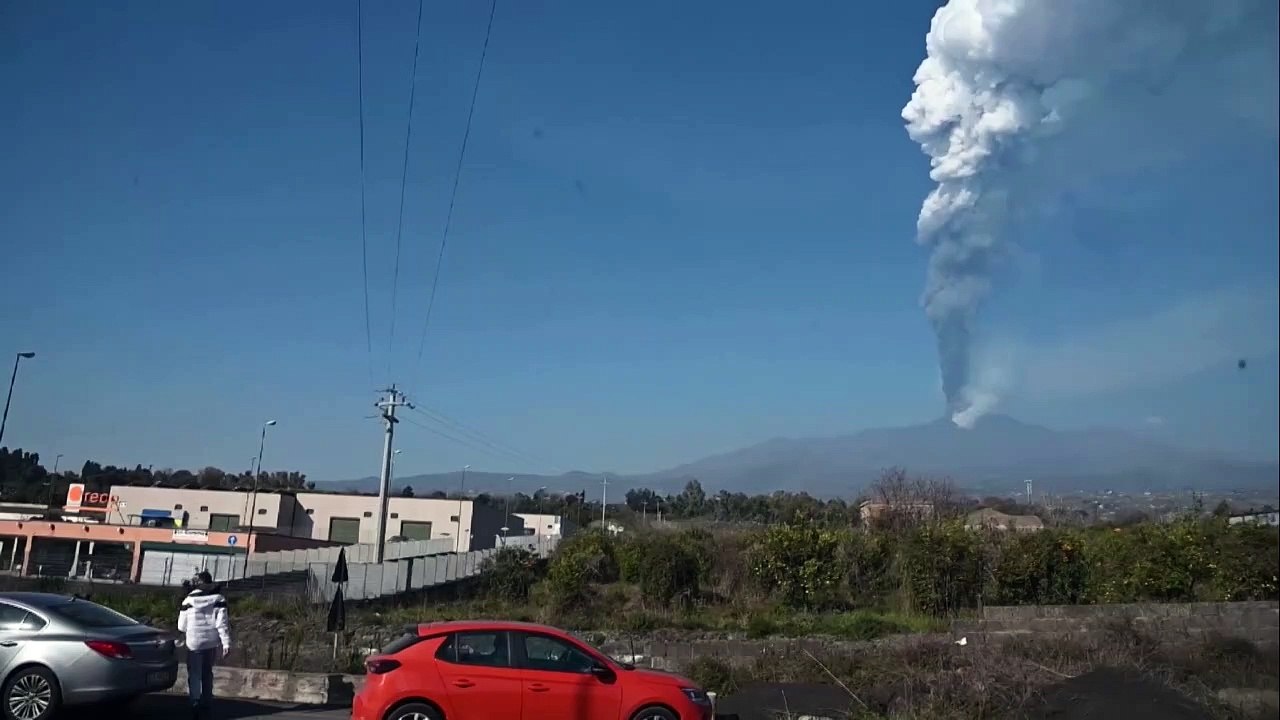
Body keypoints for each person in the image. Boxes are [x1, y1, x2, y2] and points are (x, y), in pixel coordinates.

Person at [177, 570, 232, 719]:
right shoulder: (219, 598)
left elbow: (181, 626)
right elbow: (222, 624)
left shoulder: (188, 600)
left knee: (195, 674)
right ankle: (207, 700)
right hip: (211, 642)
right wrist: (226, 644)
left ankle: (195, 701)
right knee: (207, 672)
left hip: (194, 642)